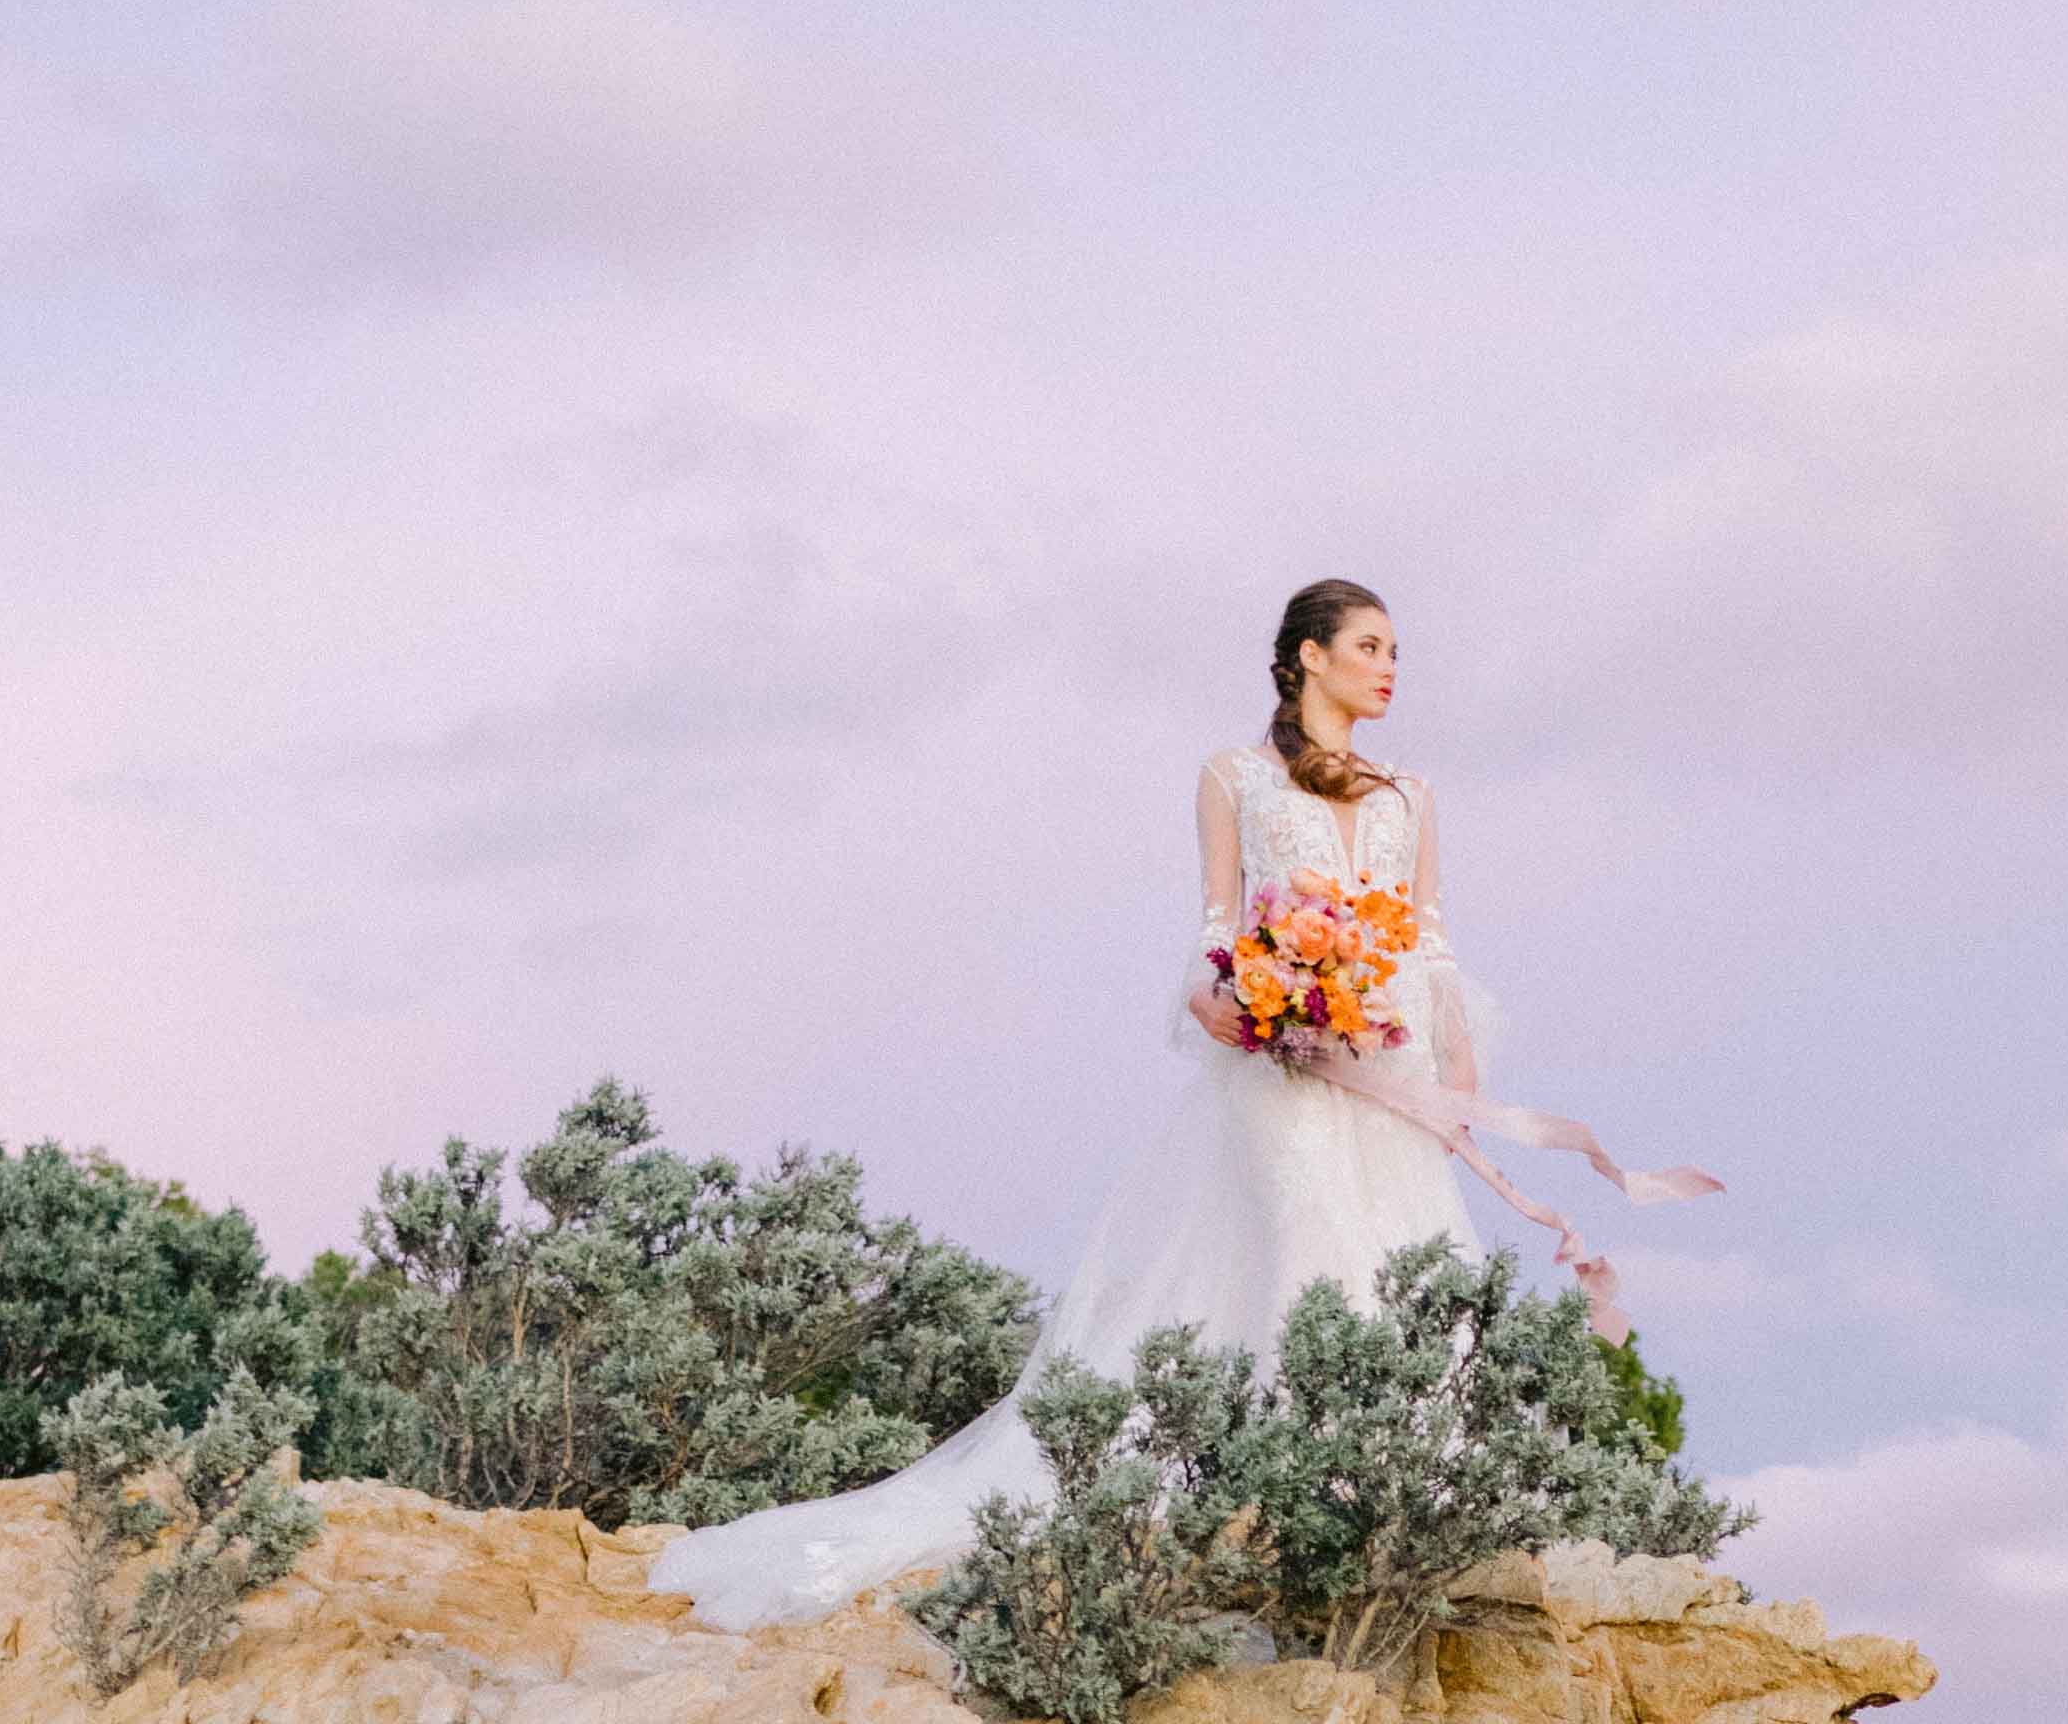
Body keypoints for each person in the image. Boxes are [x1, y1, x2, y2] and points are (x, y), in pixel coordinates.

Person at [654, 577, 1609, 1629]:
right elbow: (1217, 928)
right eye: (1370, 646)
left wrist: (1458, 1073)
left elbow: (1430, 939)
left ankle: (1425, 1496)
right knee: (1305, 1245)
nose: (1390, 667)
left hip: (1391, 1066)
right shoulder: (1234, 777)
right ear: (1307, 655)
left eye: (1396, 651)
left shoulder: (1410, 795)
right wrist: (1242, 1001)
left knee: (1411, 1256)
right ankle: (1279, 1501)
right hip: (1281, 1071)